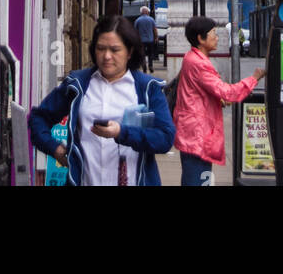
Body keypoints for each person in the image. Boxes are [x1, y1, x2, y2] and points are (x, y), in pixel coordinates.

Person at [29, 15, 175, 186]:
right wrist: (55, 149)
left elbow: (165, 138)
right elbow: (38, 118)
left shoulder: (147, 88)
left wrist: (121, 132)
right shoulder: (77, 85)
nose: (106, 56)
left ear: (130, 52)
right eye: (101, 48)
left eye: (115, 50)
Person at [172, 15, 265, 187]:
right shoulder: (199, 64)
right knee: (197, 180)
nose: (217, 37)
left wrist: (218, 100)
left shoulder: (192, 58)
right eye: (213, 33)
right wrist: (254, 78)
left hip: (193, 132)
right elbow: (228, 92)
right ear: (200, 38)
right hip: (197, 135)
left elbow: (200, 92)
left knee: (198, 178)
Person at [134, 5, 158, 73]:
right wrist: (156, 37)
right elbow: (155, 30)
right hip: (150, 40)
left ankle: (144, 65)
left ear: (141, 12)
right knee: (150, 54)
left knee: (142, 54)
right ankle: (150, 66)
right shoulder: (151, 19)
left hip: (141, 40)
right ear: (147, 12)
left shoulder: (137, 20)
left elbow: (135, 31)